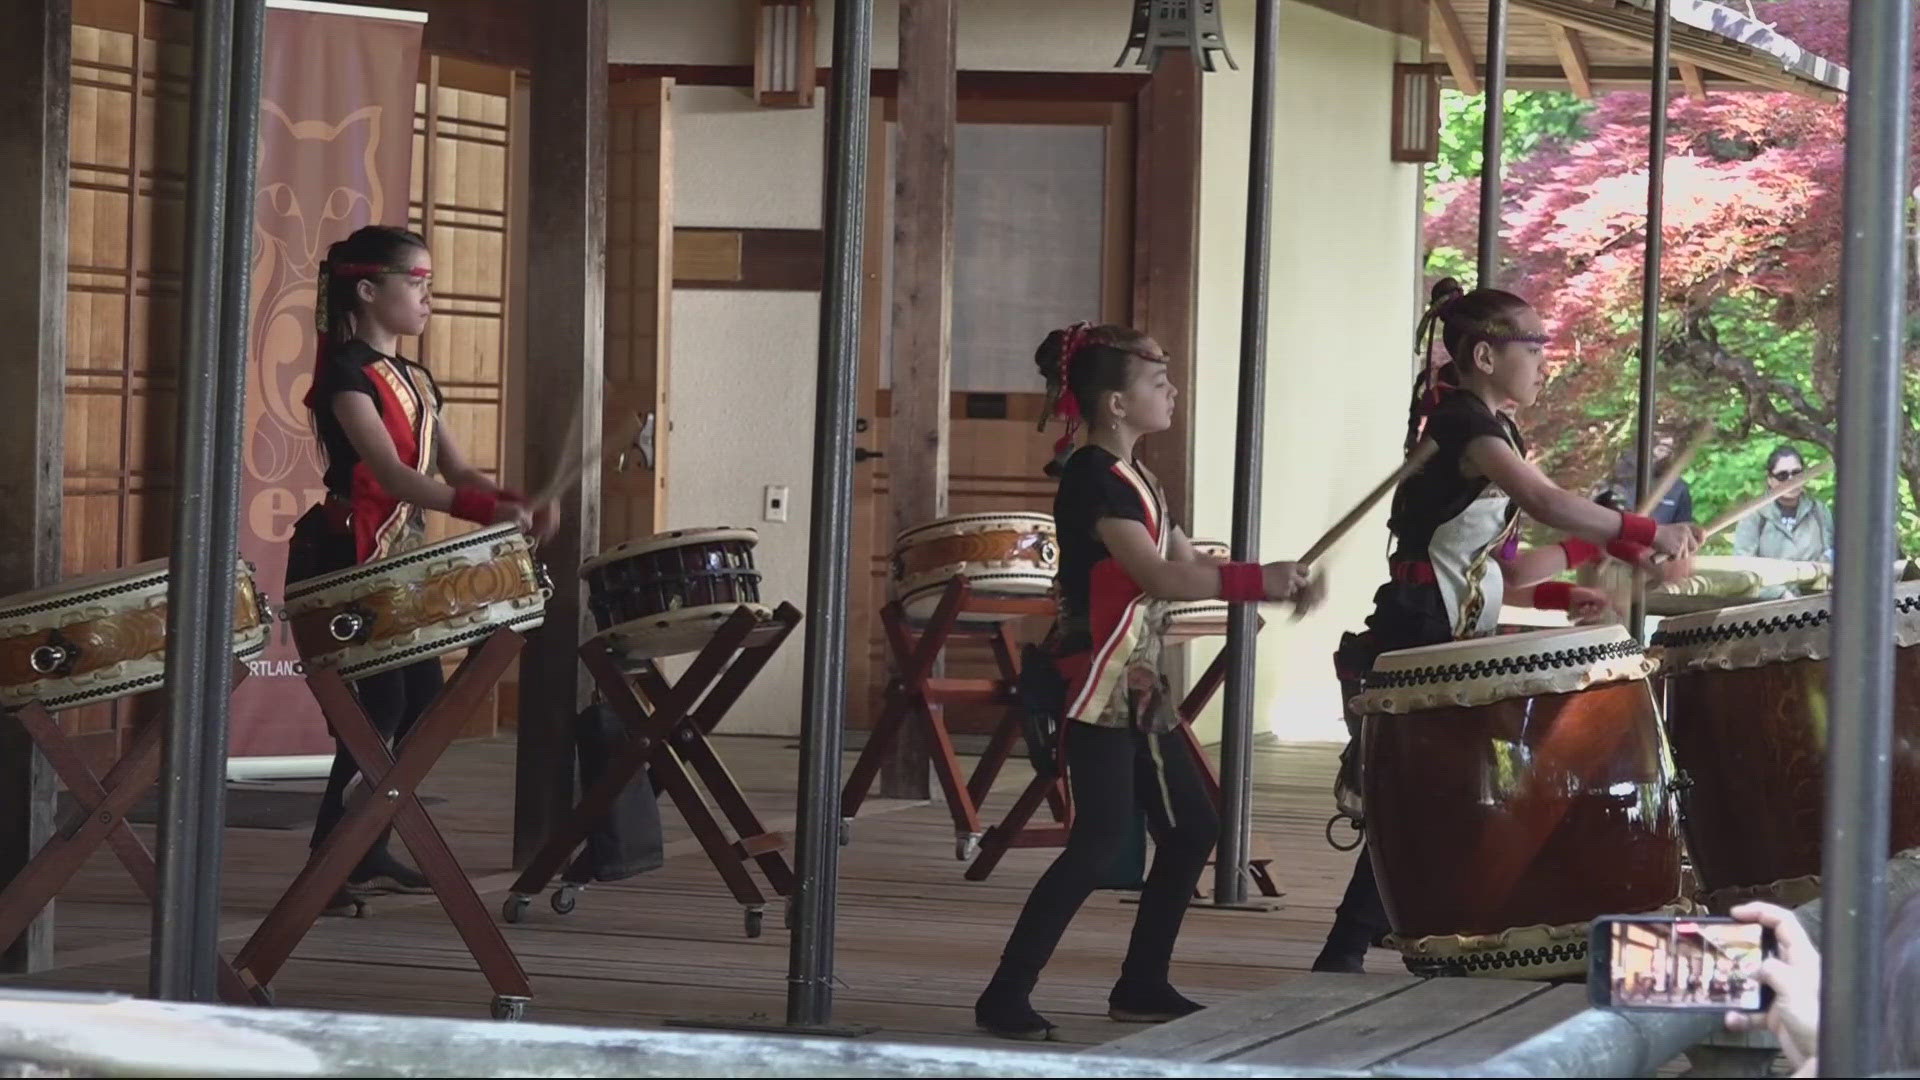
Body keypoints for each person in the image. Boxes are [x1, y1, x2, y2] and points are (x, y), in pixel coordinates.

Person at [1313, 278, 1702, 974]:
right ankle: (1384, 945)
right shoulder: (1464, 423)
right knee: (1443, 795)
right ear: (1486, 356)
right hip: (1417, 634)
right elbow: (1545, 500)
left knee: (1440, 797)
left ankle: (1372, 947)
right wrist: (1645, 530)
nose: (1545, 360)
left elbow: (1508, 572)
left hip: (1445, 634)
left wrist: (1584, 572)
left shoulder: (1497, 430)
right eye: (1535, 346)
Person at [972, 322, 1321, 1041]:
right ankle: (1004, 995)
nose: (1173, 392)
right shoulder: (1092, 477)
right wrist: (1258, 581)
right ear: (1115, 403)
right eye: (1157, 383)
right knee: (1098, 843)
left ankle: (1141, 985)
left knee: (1194, 827)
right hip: (1093, 679)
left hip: (1134, 685)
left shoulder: (1139, 479)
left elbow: (1189, 563)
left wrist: (1274, 580)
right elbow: (1158, 576)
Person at [290, 225, 552, 914]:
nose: (428, 296)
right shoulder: (345, 375)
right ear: (368, 289)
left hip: (402, 563)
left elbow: (457, 470)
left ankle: (354, 853)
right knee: (378, 709)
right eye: (417, 282)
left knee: (421, 704)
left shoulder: (417, 379)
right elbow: (390, 475)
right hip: (350, 559)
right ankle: (337, 862)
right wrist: (483, 510)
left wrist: (512, 499)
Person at [1732, 445, 1833, 565]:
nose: (1791, 480)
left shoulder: (1819, 511)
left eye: (1797, 473)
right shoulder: (1754, 514)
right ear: (1770, 480)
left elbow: (1829, 556)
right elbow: (1743, 562)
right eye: (1782, 476)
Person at [1596, 432, 1694, 526]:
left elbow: (1681, 529)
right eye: (1657, 444)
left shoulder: (1677, 488)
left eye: (1666, 449)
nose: (1658, 452)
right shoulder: (1618, 473)